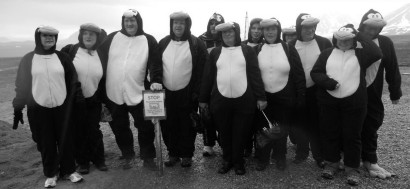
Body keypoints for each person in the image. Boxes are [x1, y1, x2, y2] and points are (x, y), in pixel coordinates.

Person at [311, 24, 383, 186]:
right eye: (340, 39)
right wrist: (327, 82)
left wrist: (358, 33)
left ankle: (352, 169)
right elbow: (315, 72)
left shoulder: (361, 54)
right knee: (330, 132)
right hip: (329, 102)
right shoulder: (326, 53)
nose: (343, 42)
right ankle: (331, 164)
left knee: (352, 135)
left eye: (348, 39)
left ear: (354, 40)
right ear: (335, 39)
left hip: (355, 103)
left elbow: (377, 52)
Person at [12, 25, 83, 188]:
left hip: (62, 106)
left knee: (66, 139)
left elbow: (73, 82)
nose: (49, 38)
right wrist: (18, 108)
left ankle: (69, 170)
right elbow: (21, 85)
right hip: (38, 108)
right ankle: (51, 173)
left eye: (52, 36)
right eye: (45, 35)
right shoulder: (28, 59)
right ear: (38, 37)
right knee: (46, 141)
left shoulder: (63, 58)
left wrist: (78, 104)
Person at [199, 22, 267, 175]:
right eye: (224, 33)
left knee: (241, 132)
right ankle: (227, 159)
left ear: (236, 33)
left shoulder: (248, 51)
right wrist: (203, 99)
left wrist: (261, 97)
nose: (227, 35)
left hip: (244, 100)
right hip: (220, 100)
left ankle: (238, 162)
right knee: (224, 132)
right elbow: (207, 77)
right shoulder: (215, 52)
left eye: (230, 32)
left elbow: (255, 75)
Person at [99, 9, 159, 169]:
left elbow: (155, 63)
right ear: (122, 22)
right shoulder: (112, 38)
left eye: (133, 20)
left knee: (145, 127)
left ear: (138, 22)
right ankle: (128, 155)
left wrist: (155, 80)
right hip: (114, 92)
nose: (130, 24)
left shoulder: (149, 40)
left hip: (138, 90)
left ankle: (148, 157)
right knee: (120, 127)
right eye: (126, 21)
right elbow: (99, 59)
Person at [150, 11, 207, 167]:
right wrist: (155, 80)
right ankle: (173, 153)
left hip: (188, 93)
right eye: (175, 23)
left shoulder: (197, 44)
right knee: (168, 125)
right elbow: (155, 64)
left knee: (187, 125)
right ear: (171, 24)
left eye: (182, 23)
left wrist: (197, 92)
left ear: (187, 25)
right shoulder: (163, 42)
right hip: (166, 92)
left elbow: (202, 70)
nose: (178, 26)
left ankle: (186, 154)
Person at [253, 18, 305, 171]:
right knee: (263, 129)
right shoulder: (257, 49)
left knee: (282, 129)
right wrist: (258, 96)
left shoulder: (288, 48)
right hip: (264, 97)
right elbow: (254, 76)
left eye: (273, 29)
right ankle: (263, 158)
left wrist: (301, 96)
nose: (270, 32)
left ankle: (280, 157)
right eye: (266, 29)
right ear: (263, 31)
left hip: (285, 96)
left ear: (278, 30)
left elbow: (298, 74)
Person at [358, 9, 402, 179]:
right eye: (368, 27)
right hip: (352, 91)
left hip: (374, 92)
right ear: (362, 26)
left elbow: (392, 67)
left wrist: (395, 91)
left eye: (375, 28)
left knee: (372, 122)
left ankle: (370, 159)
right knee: (350, 123)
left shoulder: (385, 42)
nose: (371, 31)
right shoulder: (354, 40)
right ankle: (348, 156)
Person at [61, 23, 108, 174]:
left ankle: (99, 160)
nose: (88, 37)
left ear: (97, 37)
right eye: (85, 34)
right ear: (81, 35)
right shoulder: (72, 50)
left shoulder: (101, 54)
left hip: (93, 99)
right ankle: (82, 162)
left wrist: (102, 98)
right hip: (75, 100)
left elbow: (105, 77)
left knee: (94, 130)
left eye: (92, 34)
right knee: (78, 130)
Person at [288, 13, 332, 167]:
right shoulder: (291, 45)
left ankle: (319, 156)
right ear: (299, 27)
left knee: (316, 124)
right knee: (299, 124)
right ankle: (301, 153)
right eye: (306, 27)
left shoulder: (324, 43)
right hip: (298, 91)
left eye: (313, 26)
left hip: (318, 92)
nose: (310, 29)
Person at [198, 12, 225, 157]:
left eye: (217, 24)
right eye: (211, 24)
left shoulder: (227, 40)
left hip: (222, 84)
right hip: (205, 83)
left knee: (221, 114)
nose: (214, 27)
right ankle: (208, 144)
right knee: (205, 115)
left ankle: (223, 141)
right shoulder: (200, 40)